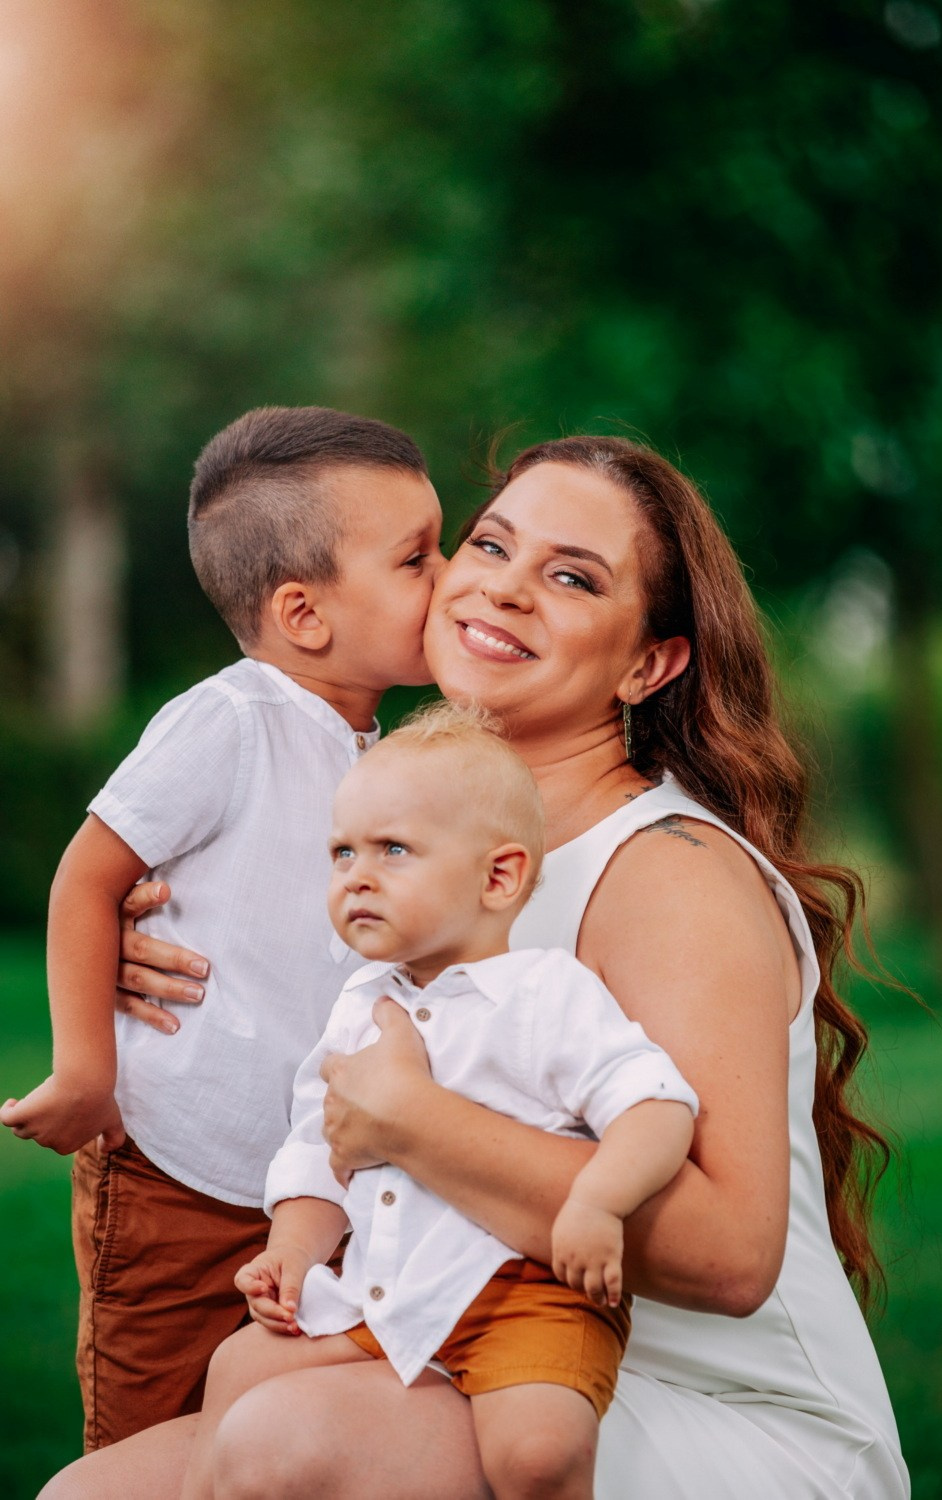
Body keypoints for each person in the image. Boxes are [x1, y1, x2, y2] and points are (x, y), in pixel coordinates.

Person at [40, 434, 909, 1499]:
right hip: (453, 1335)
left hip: (702, 1404)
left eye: (573, 577)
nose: (503, 587)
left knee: (284, 1441)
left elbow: (731, 1256)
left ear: (648, 666)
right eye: (490, 545)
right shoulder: (411, 823)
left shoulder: (667, 873)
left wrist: (417, 1123)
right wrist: (158, 939)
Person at [0, 406, 445, 1449]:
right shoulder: (232, 720)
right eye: (416, 557)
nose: (450, 574)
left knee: (266, 1430)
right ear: (304, 612)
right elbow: (87, 879)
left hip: (307, 1189)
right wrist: (86, 1071)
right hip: (177, 1175)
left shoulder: (380, 753)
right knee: (146, 1430)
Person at [180, 703, 698, 1500]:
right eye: (342, 851)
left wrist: (598, 1200)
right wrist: (292, 1251)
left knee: (537, 1451)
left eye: (393, 850)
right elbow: (319, 1149)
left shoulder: (544, 992)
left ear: (498, 877)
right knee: (238, 1363)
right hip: (389, 1288)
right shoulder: (361, 1004)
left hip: (528, 1298)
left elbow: (657, 1106)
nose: (357, 875)